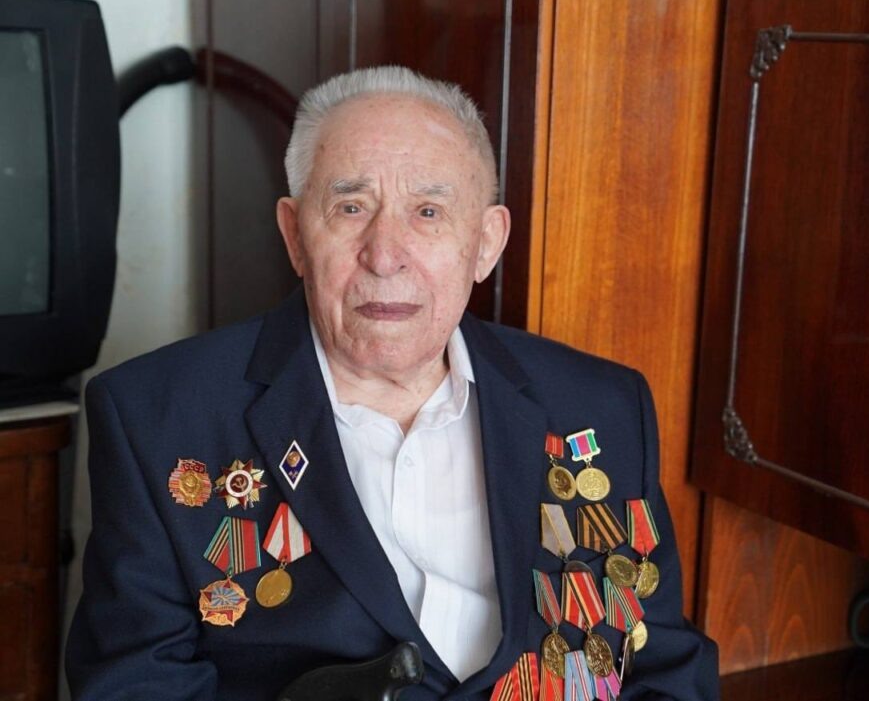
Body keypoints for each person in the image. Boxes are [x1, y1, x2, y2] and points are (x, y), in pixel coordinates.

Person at [66, 66, 719, 701]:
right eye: (351, 207)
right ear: (295, 235)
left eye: (428, 211)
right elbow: (135, 683)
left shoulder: (601, 407)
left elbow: (661, 667)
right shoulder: (156, 418)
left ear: (486, 243)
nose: (384, 255)